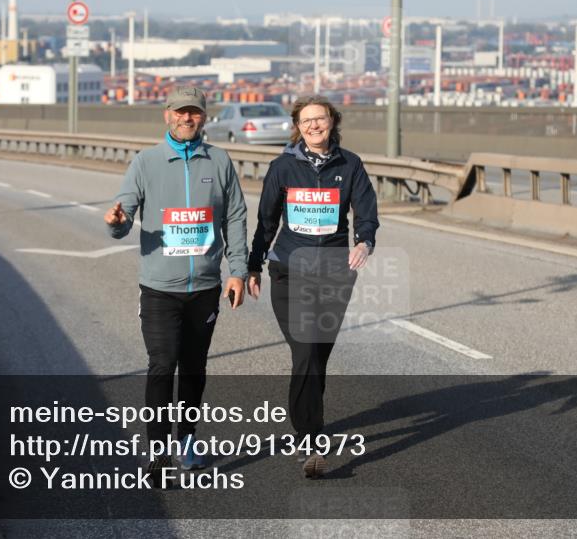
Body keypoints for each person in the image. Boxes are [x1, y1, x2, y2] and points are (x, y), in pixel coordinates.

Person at [104, 85, 248, 478]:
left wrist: (237, 271)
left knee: (194, 367)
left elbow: (234, 217)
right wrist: (118, 223)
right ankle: (158, 450)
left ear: (204, 117)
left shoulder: (219, 161)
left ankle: (186, 440)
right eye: (181, 112)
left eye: (195, 113)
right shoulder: (146, 162)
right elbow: (125, 211)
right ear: (167, 115)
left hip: (204, 287)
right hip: (159, 289)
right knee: (162, 365)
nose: (188, 118)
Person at [247, 95, 379, 479]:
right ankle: (310, 441)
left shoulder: (350, 164)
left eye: (320, 119)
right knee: (305, 351)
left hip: (335, 273)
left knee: (318, 356)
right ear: (297, 126)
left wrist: (364, 240)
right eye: (306, 121)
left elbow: (366, 212)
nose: (314, 126)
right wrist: (254, 266)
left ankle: (306, 427)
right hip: (289, 272)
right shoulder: (283, 167)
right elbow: (267, 221)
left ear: (332, 121)